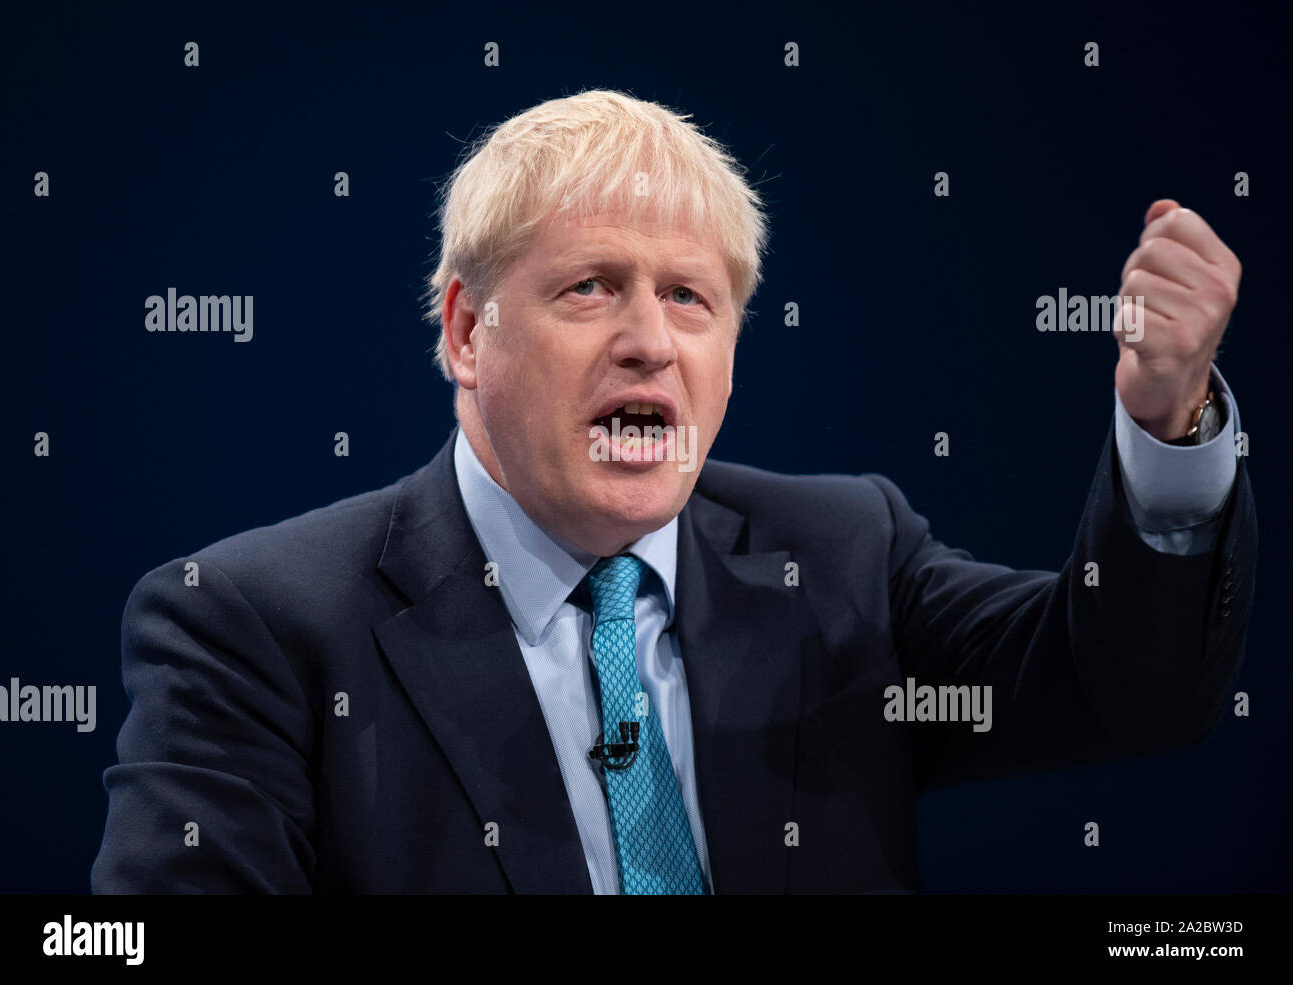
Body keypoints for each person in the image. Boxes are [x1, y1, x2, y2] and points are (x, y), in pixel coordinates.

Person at [91, 89, 1255, 894]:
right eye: (591, 287)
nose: (650, 340)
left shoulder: (842, 553)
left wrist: (1169, 424)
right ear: (464, 331)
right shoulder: (255, 622)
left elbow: (1128, 691)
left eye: (691, 299)